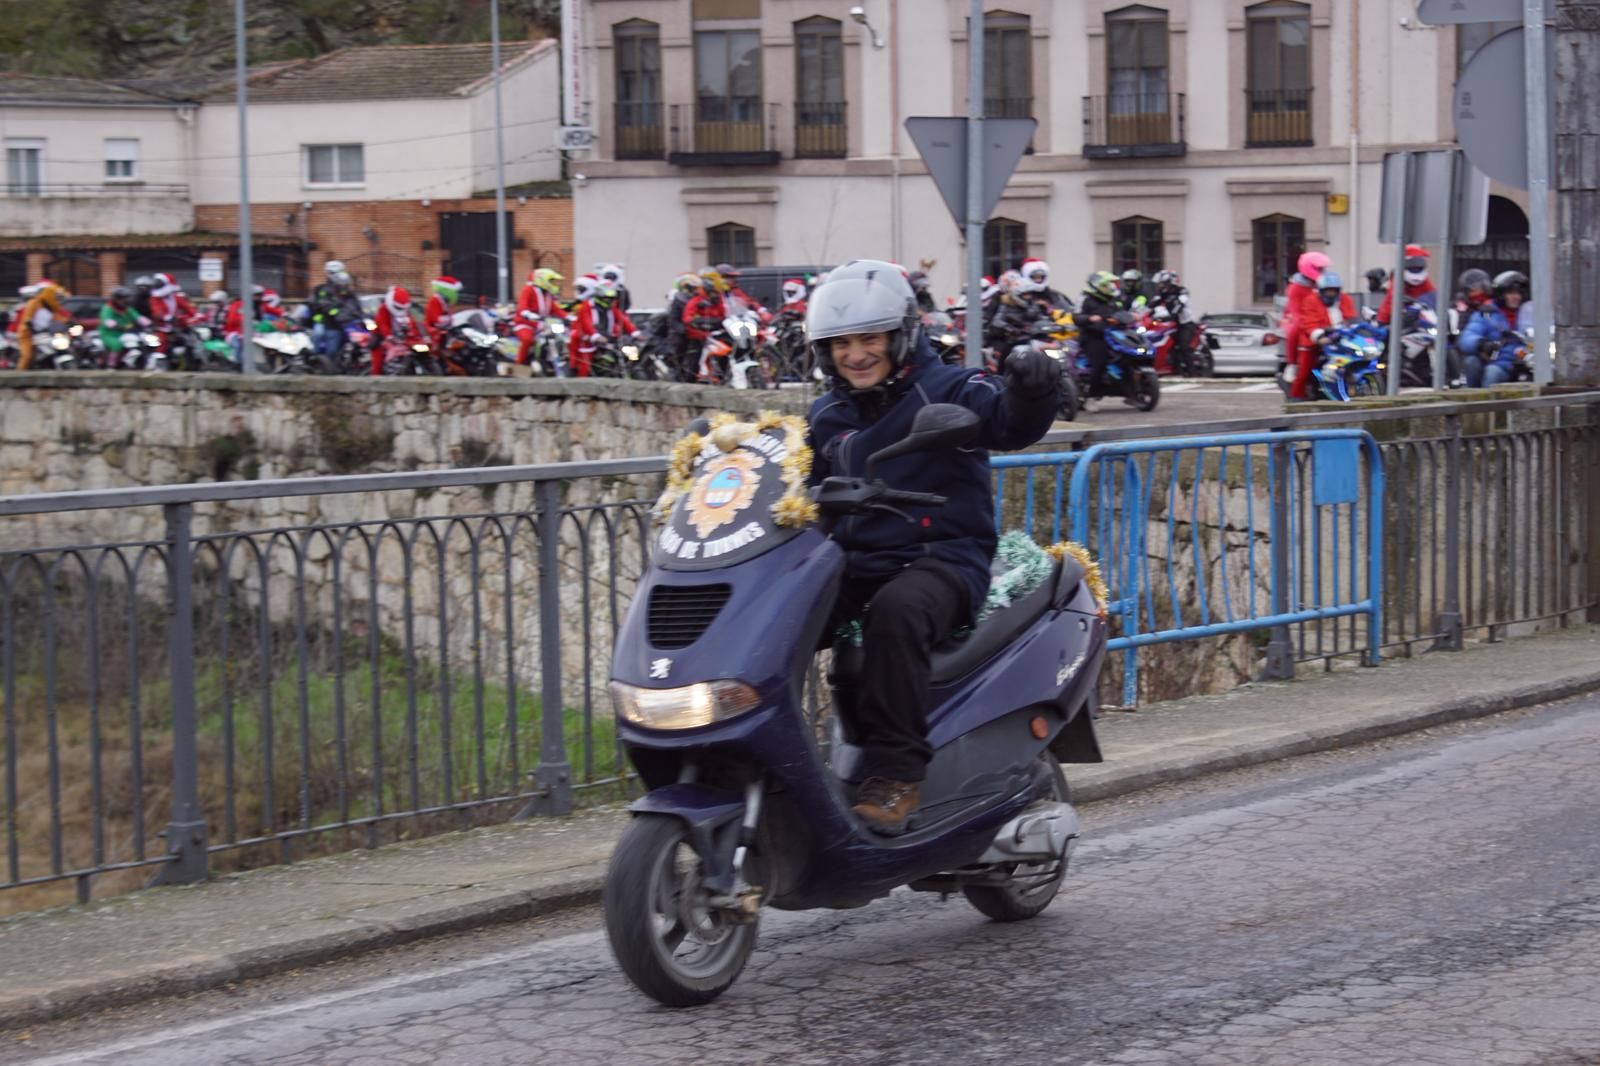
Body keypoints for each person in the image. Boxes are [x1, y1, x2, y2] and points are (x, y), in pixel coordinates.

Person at [803, 259, 1058, 833]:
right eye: (841, 343)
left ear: (901, 335)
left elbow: (1008, 421)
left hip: (942, 558)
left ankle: (896, 775)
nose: (855, 355)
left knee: (897, 612)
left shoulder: (950, 388)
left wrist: (1032, 389)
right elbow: (800, 485)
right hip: (854, 564)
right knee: (774, 614)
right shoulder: (826, 414)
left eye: (870, 338)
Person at [1290, 270, 1358, 398]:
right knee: (1304, 371)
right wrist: (1319, 336)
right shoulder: (1311, 300)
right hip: (1313, 341)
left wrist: (1352, 328)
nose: (1331, 293)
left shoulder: (1345, 299)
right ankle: (1296, 397)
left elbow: (1351, 317)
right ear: (1321, 290)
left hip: (1340, 339)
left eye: (1334, 290)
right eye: (1328, 290)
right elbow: (1309, 322)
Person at [1457, 268, 1522, 387]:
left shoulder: (1529, 314)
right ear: (1501, 295)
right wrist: (1481, 343)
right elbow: (1467, 336)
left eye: (1518, 293)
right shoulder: (1487, 313)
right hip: (1499, 364)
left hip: (1527, 361)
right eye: (1511, 293)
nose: (1516, 297)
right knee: (1491, 372)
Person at [1283, 251, 1331, 400]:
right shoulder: (1296, 287)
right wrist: (1305, 323)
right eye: (1319, 269)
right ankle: (1292, 364)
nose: (1322, 271)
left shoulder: (1320, 285)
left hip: (1317, 322)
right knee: (1294, 331)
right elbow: (1295, 309)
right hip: (1300, 321)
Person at [571, 283, 636, 377]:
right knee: (585, 364)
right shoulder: (586, 306)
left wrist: (634, 332)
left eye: (611, 299)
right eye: (606, 298)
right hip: (588, 340)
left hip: (608, 339)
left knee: (631, 353)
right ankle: (582, 381)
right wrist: (596, 336)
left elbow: (622, 320)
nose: (609, 301)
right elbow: (586, 323)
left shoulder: (611, 308)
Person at [1077, 271, 1124, 399]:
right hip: (1093, 336)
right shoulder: (1085, 298)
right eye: (1105, 284)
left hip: (1114, 334)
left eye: (1110, 284)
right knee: (1099, 362)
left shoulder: (1113, 299)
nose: (1110, 287)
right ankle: (1093, 394)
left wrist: (1131, 316)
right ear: (1096, 285)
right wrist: (1089, 318)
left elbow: (1121, 312)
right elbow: (1076, 317)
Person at [513, 268, 568, 367]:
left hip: (542, 325)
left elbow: (555, 309)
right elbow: (522, 306)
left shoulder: (547, 295)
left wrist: (569, 317)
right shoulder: (528, 289)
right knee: (527, 339)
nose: (554, 284)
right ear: (543, 280)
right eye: (551, 281)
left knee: (559, 338)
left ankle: (547, 363)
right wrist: (528, 314)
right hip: (525, 323)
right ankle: (519, 364)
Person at [308, 261, 363, 361]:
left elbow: (355, 305)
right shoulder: (322, 289)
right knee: (318, 335)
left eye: (338, 272)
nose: (335, 275)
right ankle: (314, 357)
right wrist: (336, 312)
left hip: (345, 322)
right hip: (328, 322)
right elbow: (322, 305)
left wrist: (361, 315)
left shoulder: (348, 291)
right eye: (332, 273)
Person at [1375, 245, 1438, 325]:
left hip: (1420, 316)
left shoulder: (1425, 281)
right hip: (1393, 318)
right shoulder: (1398, 279)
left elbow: (1432, 294)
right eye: (1413, 268)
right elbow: (1393, 298)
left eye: (1418, 268)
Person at [683, 269, 729, 380]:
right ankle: (691, 379)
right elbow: (687, 318)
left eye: (717, 292)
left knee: (729, 347)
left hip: (714, 334)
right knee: (694, 359)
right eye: (713, 292)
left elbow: (725, 315)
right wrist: (698, 321)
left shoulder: (719, 302)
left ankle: (724, 373)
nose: (715, 295)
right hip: (698, 334)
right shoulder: (696, 301)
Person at [14, 279, 69, 371]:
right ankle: (19, 374)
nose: (57, 299)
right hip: (28, 334)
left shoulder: (51, 307)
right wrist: (30, 326)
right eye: (55, 296)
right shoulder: (34, 303)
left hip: (44, 334)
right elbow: (27, 318)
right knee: (27, 355)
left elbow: (59, 318)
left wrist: (70, 322)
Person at [1148, 269, 1197, 363]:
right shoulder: (1163, 293)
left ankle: (1191, 369)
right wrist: (1145, 313)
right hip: (1172, 323)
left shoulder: (1182, 291)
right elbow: (1153, 304)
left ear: (1170, 282)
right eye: (1160, 284)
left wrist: (1172, 314)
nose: (1160, 286)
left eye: (1162, 283)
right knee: (1167, 343)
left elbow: (1180, 305)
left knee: (1184, 346)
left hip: (1185, 323)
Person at [371, 285, 422, 375]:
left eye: (403, 308)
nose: (401, 310)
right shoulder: (383, 309)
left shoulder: (405, 311)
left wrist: (417, 334)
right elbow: (383, 324)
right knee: (378, 361)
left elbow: (411, 323)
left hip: (400, 338)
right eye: (399, 308)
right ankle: (374, 379)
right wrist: (388, 336)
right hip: (380, 337)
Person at [97, 286, 144, 368]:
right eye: (123, 298)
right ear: (116, 299)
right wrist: (112, 324)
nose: (125, 300)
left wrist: (148, 323)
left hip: (124, 333)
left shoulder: (127, 309)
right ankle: (111, 364)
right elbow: (106, 319)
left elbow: (137, 317)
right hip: (109, 334)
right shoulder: (108, 308)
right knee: (116, 345)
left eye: (126, 298)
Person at [423, 275, 463, 349]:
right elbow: (435, 320)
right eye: (455, 292)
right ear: (446, 290)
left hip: (445, 336)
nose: (456, 294)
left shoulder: (446, 302)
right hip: (435, 336)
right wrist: (445, 328)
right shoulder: (434, 301)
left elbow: (449, 318)